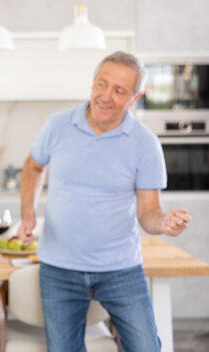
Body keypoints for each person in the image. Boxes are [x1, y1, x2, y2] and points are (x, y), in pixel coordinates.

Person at [16, 51, 191, 351]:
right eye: (101, 84)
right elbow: (33, 167)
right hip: (60, 268)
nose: (105, 96)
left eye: (119, 90)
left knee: (147, 347)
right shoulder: (57, 126)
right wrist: (28, 214)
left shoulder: (145, 143)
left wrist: (163, 223)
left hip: (121, 268)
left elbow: (148, 211)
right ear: (93, 83)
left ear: (134, 98)